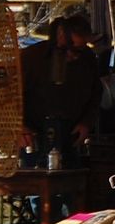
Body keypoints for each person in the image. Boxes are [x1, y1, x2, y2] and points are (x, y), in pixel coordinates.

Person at [20, 14, 99, 162]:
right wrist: (19, 127)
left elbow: (95, 95)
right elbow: (7, 96)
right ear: (60, 35)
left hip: (70, 137)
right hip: (33, 138)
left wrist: (86, 123)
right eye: (68, 48)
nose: (73, 56)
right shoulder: (31, 58)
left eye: (79, 50)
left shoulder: (88, 60)